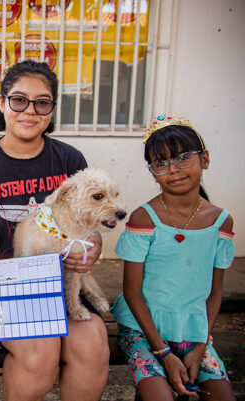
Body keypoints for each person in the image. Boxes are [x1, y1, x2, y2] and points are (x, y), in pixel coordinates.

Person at [0, 60, 109, 401]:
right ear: (2, 103)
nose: (30, 110)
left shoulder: (69, 161)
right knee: (39, 354)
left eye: (42, 102)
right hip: (11, 287)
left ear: (52, 109)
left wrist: (92, 248)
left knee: (93, 345)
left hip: (64, 283)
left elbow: (89, 229)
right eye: (19, 99)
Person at [110, 113, 236, 400]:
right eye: (161, 163)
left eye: (183, 157)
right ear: (152, 171)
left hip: (195, 332)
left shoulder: (221, 222)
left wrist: (201, 346)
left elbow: (215, 292)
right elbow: (132, 292)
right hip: (143, 329)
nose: (174, 169)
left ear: (205, 158)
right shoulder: (145, 218)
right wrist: (164, 353)